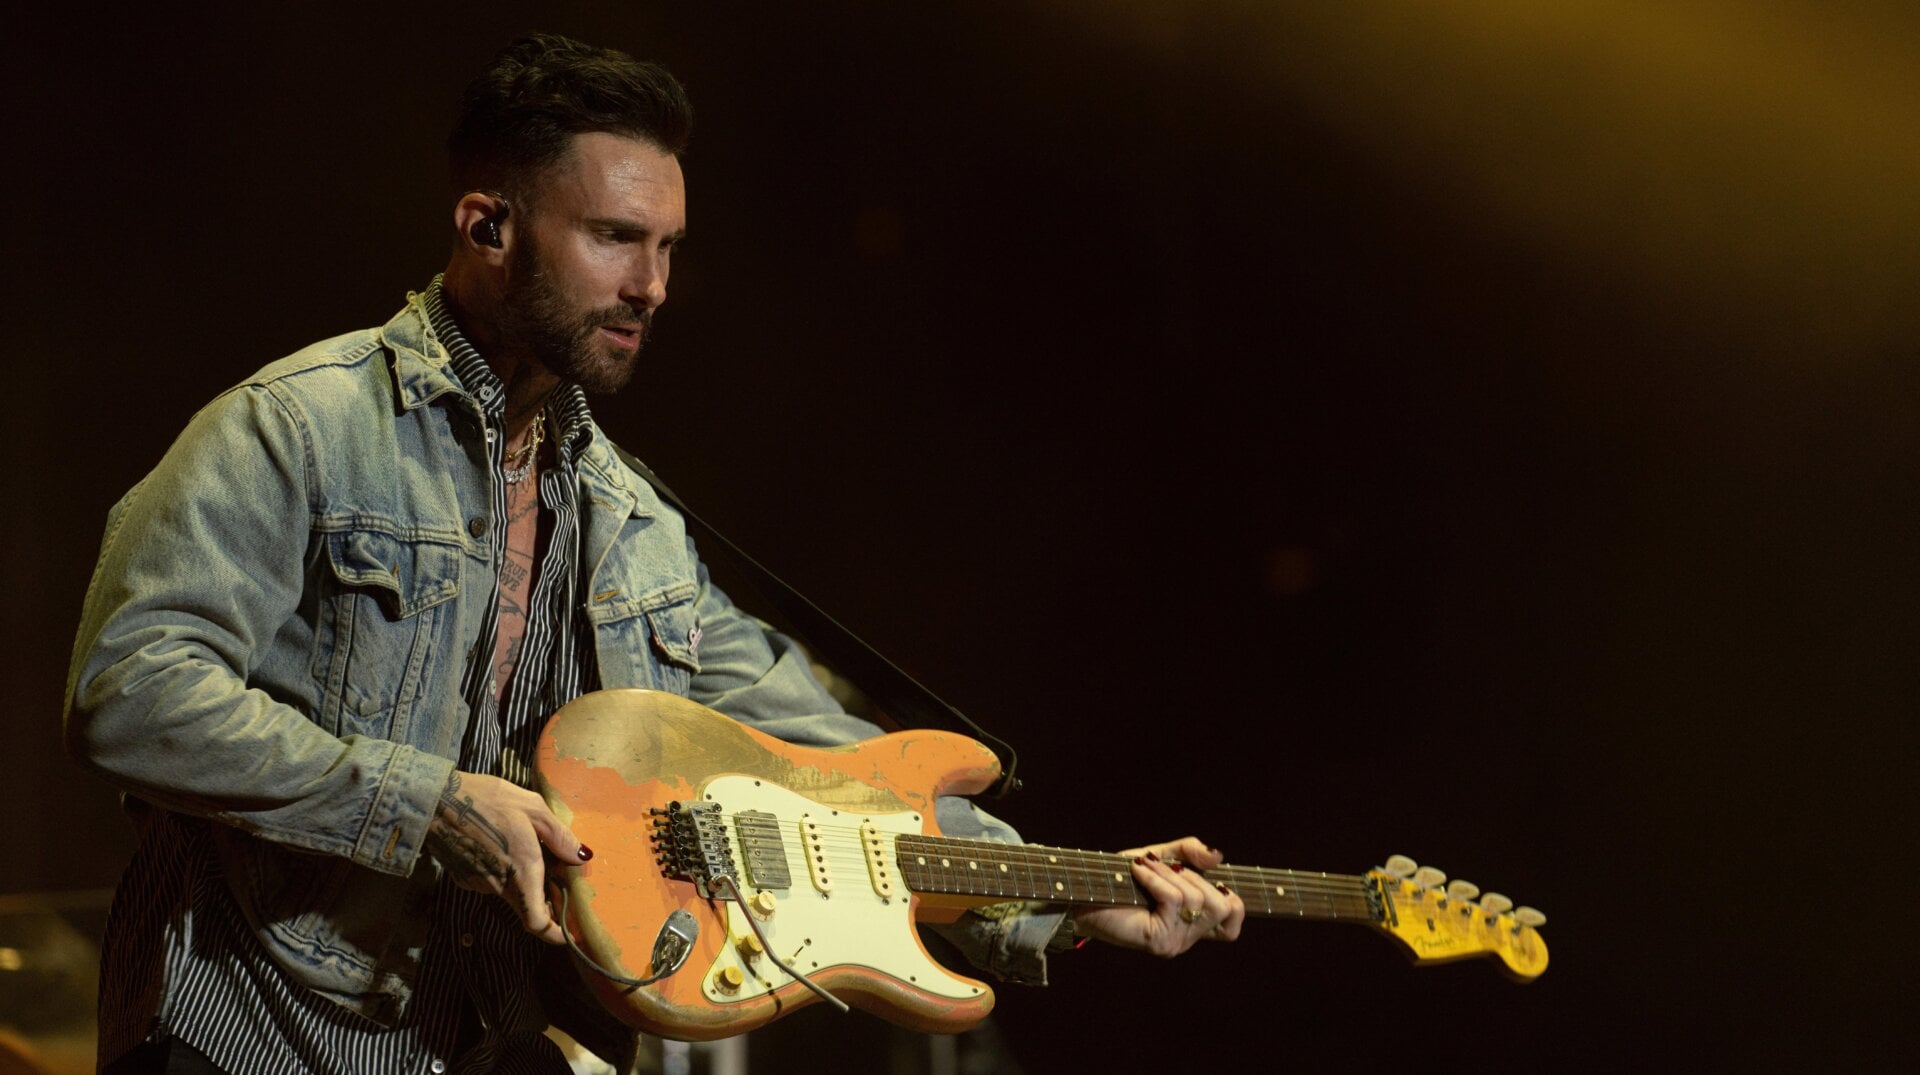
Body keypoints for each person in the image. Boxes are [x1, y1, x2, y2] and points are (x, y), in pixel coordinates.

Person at [64, 33, 1245, 1074]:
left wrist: (1073, 890)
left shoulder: (632, 520)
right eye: (616, 239)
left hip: (486, 1042)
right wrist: (420, 801)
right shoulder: (300, 427)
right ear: (488, 225)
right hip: (256, 1030)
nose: (654, 286)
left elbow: (843, 765)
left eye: (669, 246)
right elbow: (130, 689)